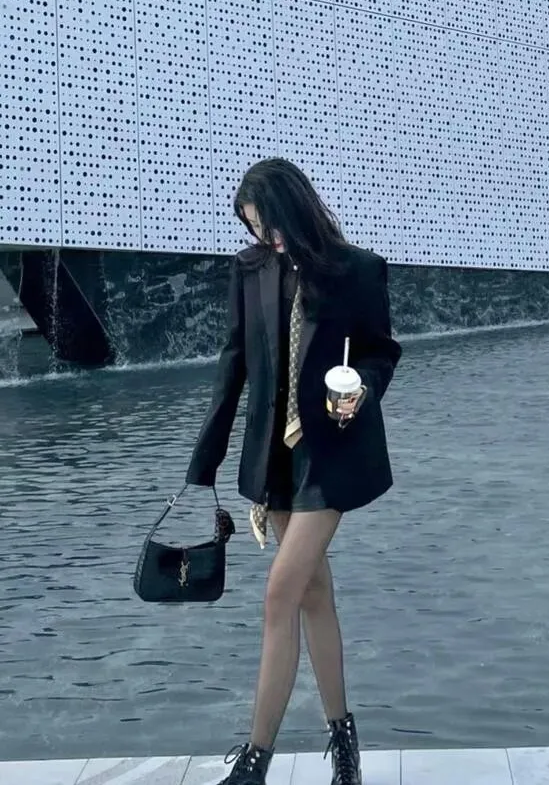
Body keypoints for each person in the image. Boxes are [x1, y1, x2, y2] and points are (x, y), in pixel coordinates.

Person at [185, 158, 402, 785]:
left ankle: (254, 763)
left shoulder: (356, 268)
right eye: (254, 228)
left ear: (292, 209)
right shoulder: (249, 269)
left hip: (331, 451)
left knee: (280, 594)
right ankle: (345, 744)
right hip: (274, 456)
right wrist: (205, 460)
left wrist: (361, 387)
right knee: (311, 594)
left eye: (268, 225)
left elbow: (381, 350)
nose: (263, 237)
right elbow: (233, 363)